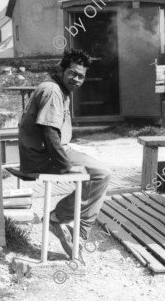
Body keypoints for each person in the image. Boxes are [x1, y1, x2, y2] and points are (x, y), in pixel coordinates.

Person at [18, 49, 111, 258]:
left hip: (48, 152)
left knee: (99, 172)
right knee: (101, 175)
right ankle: (66, 222)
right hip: (43, 157)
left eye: (81, 76)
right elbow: (49, 132)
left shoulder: (60, 89)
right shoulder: (52, 91)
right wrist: (67, 166)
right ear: (61, 70)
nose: (77, 79)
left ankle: (62, 219)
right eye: (73, 73)